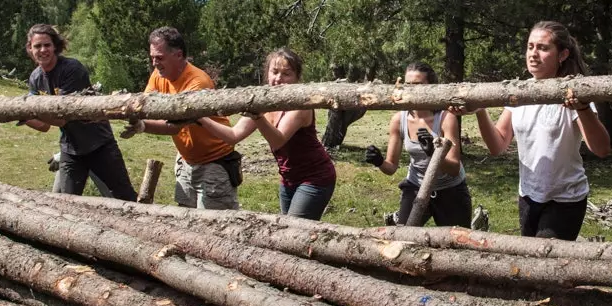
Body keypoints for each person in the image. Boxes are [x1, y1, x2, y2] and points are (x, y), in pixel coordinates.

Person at [466, 21, 610, 240]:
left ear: (562, 55)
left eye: (543, 48)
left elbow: (601, 149)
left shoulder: (573, 92)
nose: (533, 54)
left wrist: (581, 107)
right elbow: (498, 144)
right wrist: (480, 110)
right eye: (530, 46)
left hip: (565, 198)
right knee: (531, 264)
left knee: (544, 263)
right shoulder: (519, 92)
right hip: (528, 196)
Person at [199, 47, 336, 220]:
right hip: (288, 179)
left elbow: (277, 140)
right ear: (267, 74)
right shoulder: (263, 101)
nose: (279, 79)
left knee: (294, 232)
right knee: (290, 231)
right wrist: (201, 119)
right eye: (275, 72)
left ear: (297, 78)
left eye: (287, 74)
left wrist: (257, 116)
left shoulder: (301, 105)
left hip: (315, 177)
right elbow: (233, 135)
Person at [120, 26, 244, 210]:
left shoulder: (197, 82)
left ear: (178, 55)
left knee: (214, 226)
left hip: (213, 164)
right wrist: (136, 115)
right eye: (152, 57)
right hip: (186, 161)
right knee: (186, 220)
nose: (154, 63)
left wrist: (142, 126)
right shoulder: (158, 75)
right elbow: (146, 105)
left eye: (159, 58)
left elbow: (174, 126)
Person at [17, 24, 136, 200]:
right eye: (37, 46)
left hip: (99, 145)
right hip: (71, 149)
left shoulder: (72, 69)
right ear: (30, 49)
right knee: (67, 203)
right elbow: (43, 126)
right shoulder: (35, 78)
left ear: (55, 46)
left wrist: (29, 109)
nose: (43, 50)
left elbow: (62, 119)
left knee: (124, 198)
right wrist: (19, 115)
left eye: (47, 45)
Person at [363, 61, 472, 226]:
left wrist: (434, 154)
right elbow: (391, 167)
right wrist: (378, 161)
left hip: (450, 189)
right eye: (408, 85)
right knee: (403, 239)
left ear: (431, 86)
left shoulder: (445, 118)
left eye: (418, 85)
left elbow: (454, 168)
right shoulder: (399, 119)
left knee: (456, 244)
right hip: (416, 187)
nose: (411, 90)